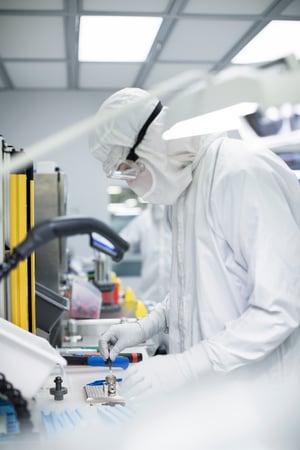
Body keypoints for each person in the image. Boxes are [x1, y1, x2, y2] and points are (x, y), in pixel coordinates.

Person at [89, 87, 300, 399]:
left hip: (261, 397)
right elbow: (197, 290)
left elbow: (280, 307)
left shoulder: (241, 173)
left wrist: (186, 366)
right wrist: (146, 326)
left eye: (128, 169)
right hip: (212, 399)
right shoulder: (183, 190)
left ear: (151, 147)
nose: (131, 183)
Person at [119, 204, 172, 304]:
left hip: (175, 301)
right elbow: (121, 245)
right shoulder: (144, 220)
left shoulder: (180, 218)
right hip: (148, 300)